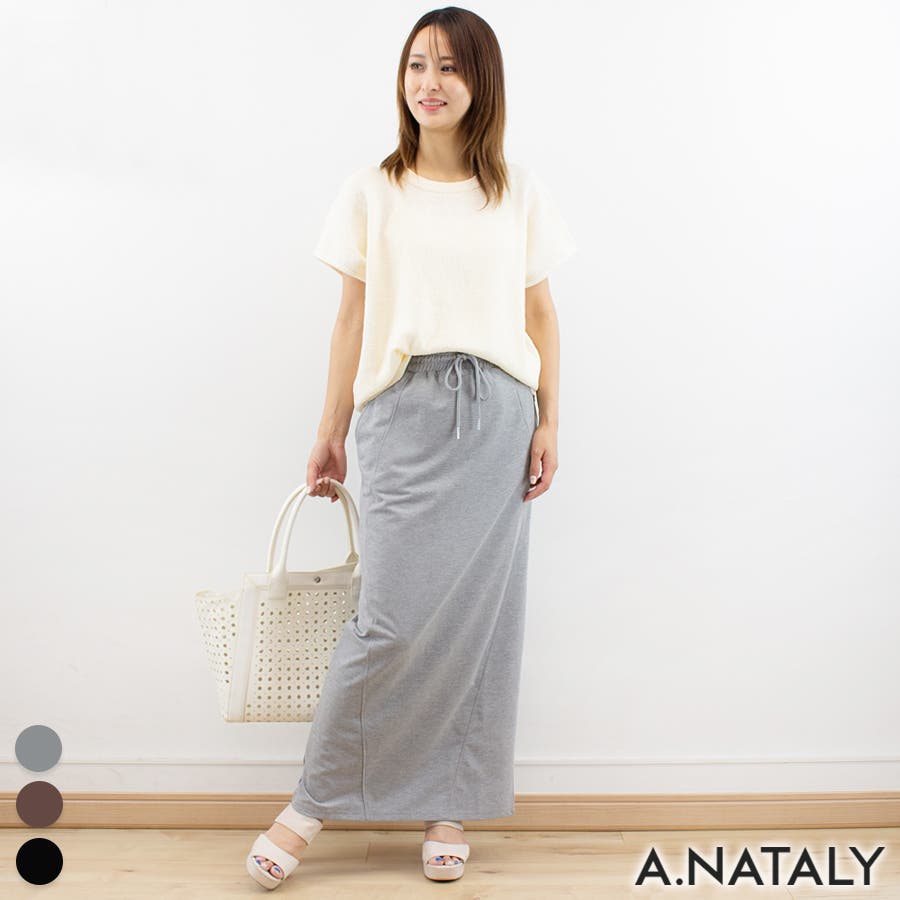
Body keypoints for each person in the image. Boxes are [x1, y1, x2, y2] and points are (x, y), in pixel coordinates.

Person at [246, 6, 576, 890]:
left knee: (480, 624)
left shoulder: (518, 191)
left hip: (499, 415)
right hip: (401, 411)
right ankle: (310, 802)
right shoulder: (372, 190)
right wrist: (329, 431)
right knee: (387, 621)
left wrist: (550, 420)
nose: (430, 83)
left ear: (481, 83)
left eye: (450, 67)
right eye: (417, 65)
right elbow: (350, 319)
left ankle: (449, 805)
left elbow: (541, 314)